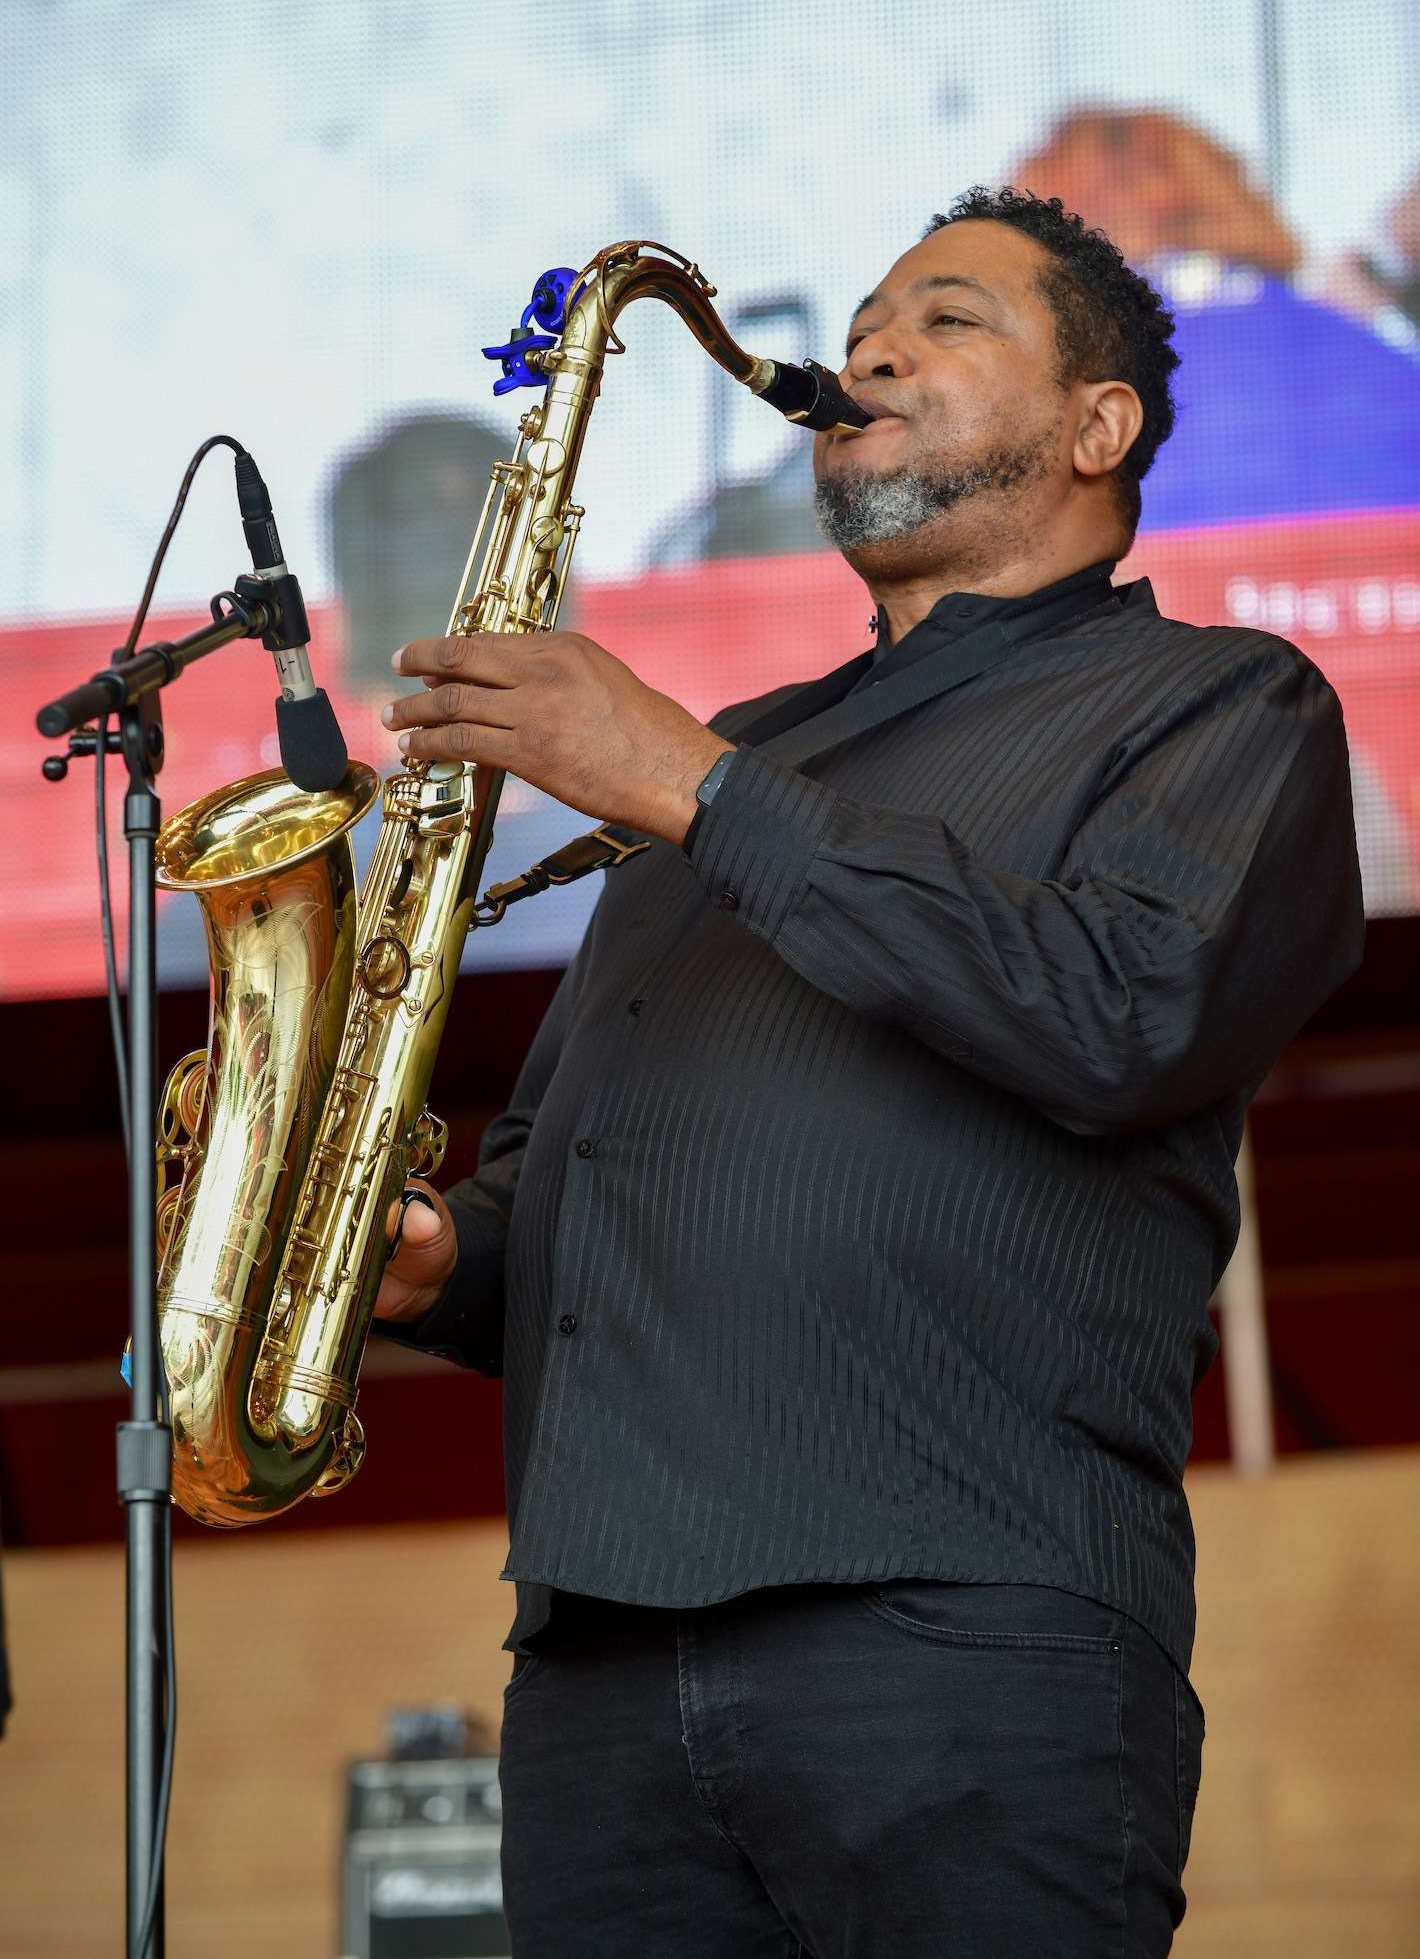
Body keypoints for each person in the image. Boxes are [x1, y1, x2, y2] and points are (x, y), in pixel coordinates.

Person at [370, 187, 1363, 1957]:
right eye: (864, 330)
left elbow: (1126, 1014)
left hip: (971, 1627)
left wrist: (696, 788)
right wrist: (448, 1256)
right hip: (600, 1668)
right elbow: (569, 1175)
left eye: (948, 320)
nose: (873, 353)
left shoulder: (1223, 703)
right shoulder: (726, 765)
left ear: (1100, 427)